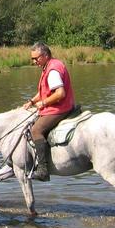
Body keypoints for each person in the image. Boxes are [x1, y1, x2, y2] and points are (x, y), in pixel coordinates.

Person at [23, 42, 75, 181]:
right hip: (60, 106)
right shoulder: (49, 66)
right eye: (32, 59)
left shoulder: (52, 70)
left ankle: (43, 170)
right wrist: (32, 101)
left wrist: (43, 103)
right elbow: (44, 92)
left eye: (36, 58)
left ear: (45, 55)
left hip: (60, 108)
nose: (34, 62)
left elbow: (60, 93)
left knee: (35, 130)